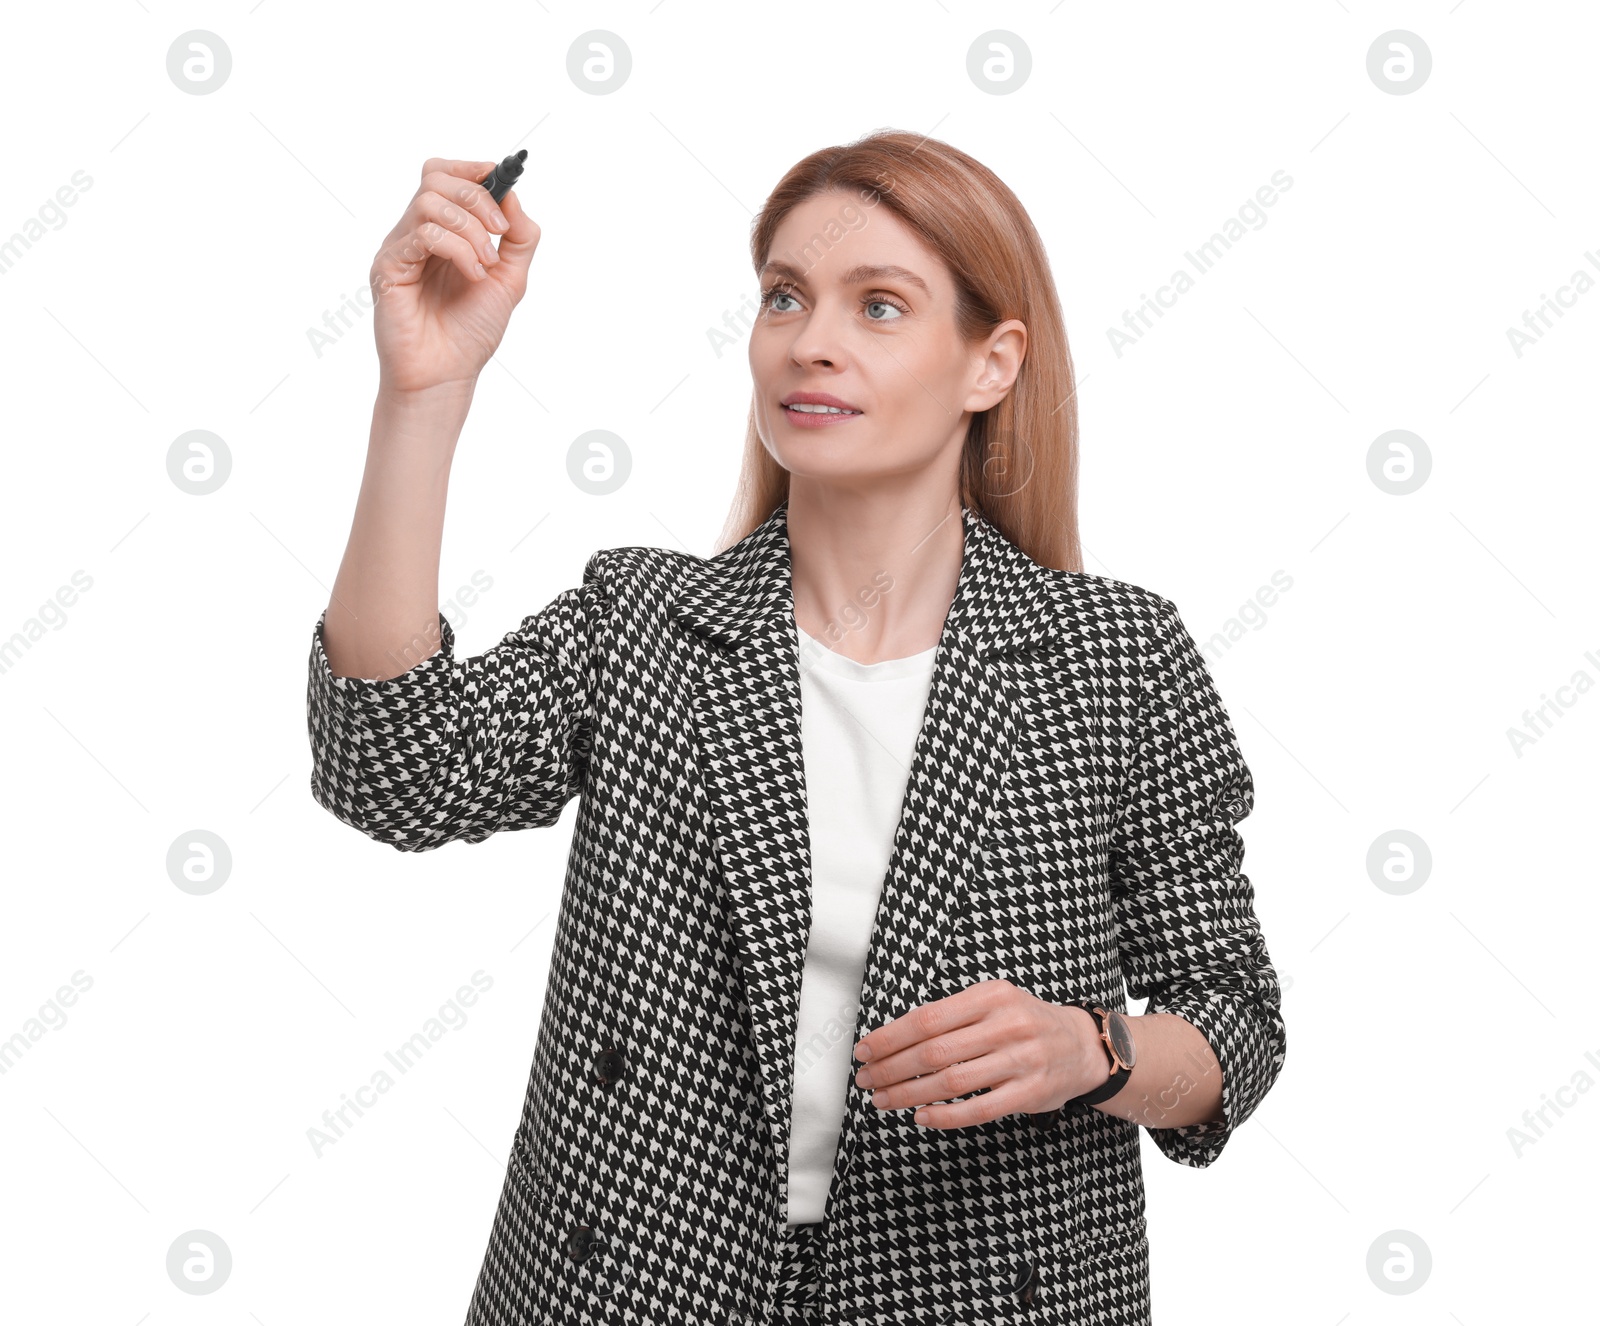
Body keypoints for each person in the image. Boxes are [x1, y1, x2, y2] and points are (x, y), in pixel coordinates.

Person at [307, 129, 1287, 1326]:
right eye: (784, 296)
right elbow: (393, 768)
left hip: (981, 1292)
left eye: (880, 306)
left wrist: (1093, 1052)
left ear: (992, 363)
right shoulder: (644, 621)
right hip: (629, 1293)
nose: (810, 339)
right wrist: (424, 395)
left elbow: (1231, 1024)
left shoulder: (1115, 659)